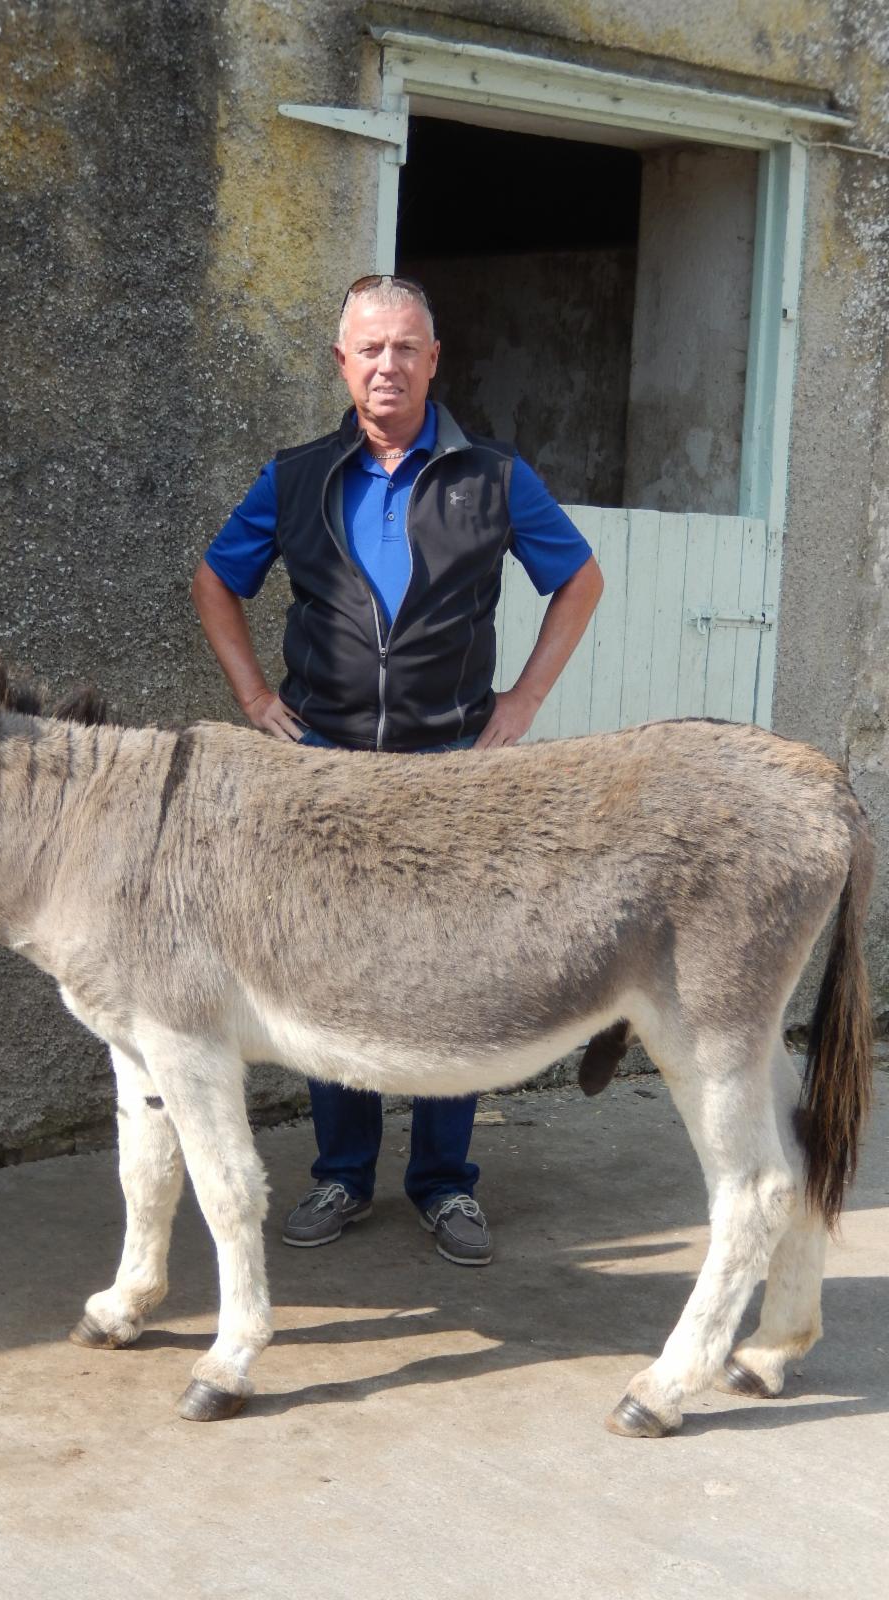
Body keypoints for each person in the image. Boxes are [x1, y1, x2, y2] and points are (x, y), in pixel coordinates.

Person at [191, 274, 603, 1266]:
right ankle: (342, 1171)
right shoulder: (294, 478)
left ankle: (446, 1182)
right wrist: (255, 699)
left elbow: (579, 579)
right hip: (326, 775)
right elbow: (216, 579)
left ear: (433, 359)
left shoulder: (493, 478)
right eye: (370, 348)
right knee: (332, 978)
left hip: (450, 772)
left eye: (406, 347)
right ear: (343, 363)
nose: (388, 364)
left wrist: (523, 703)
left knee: (453, 980)